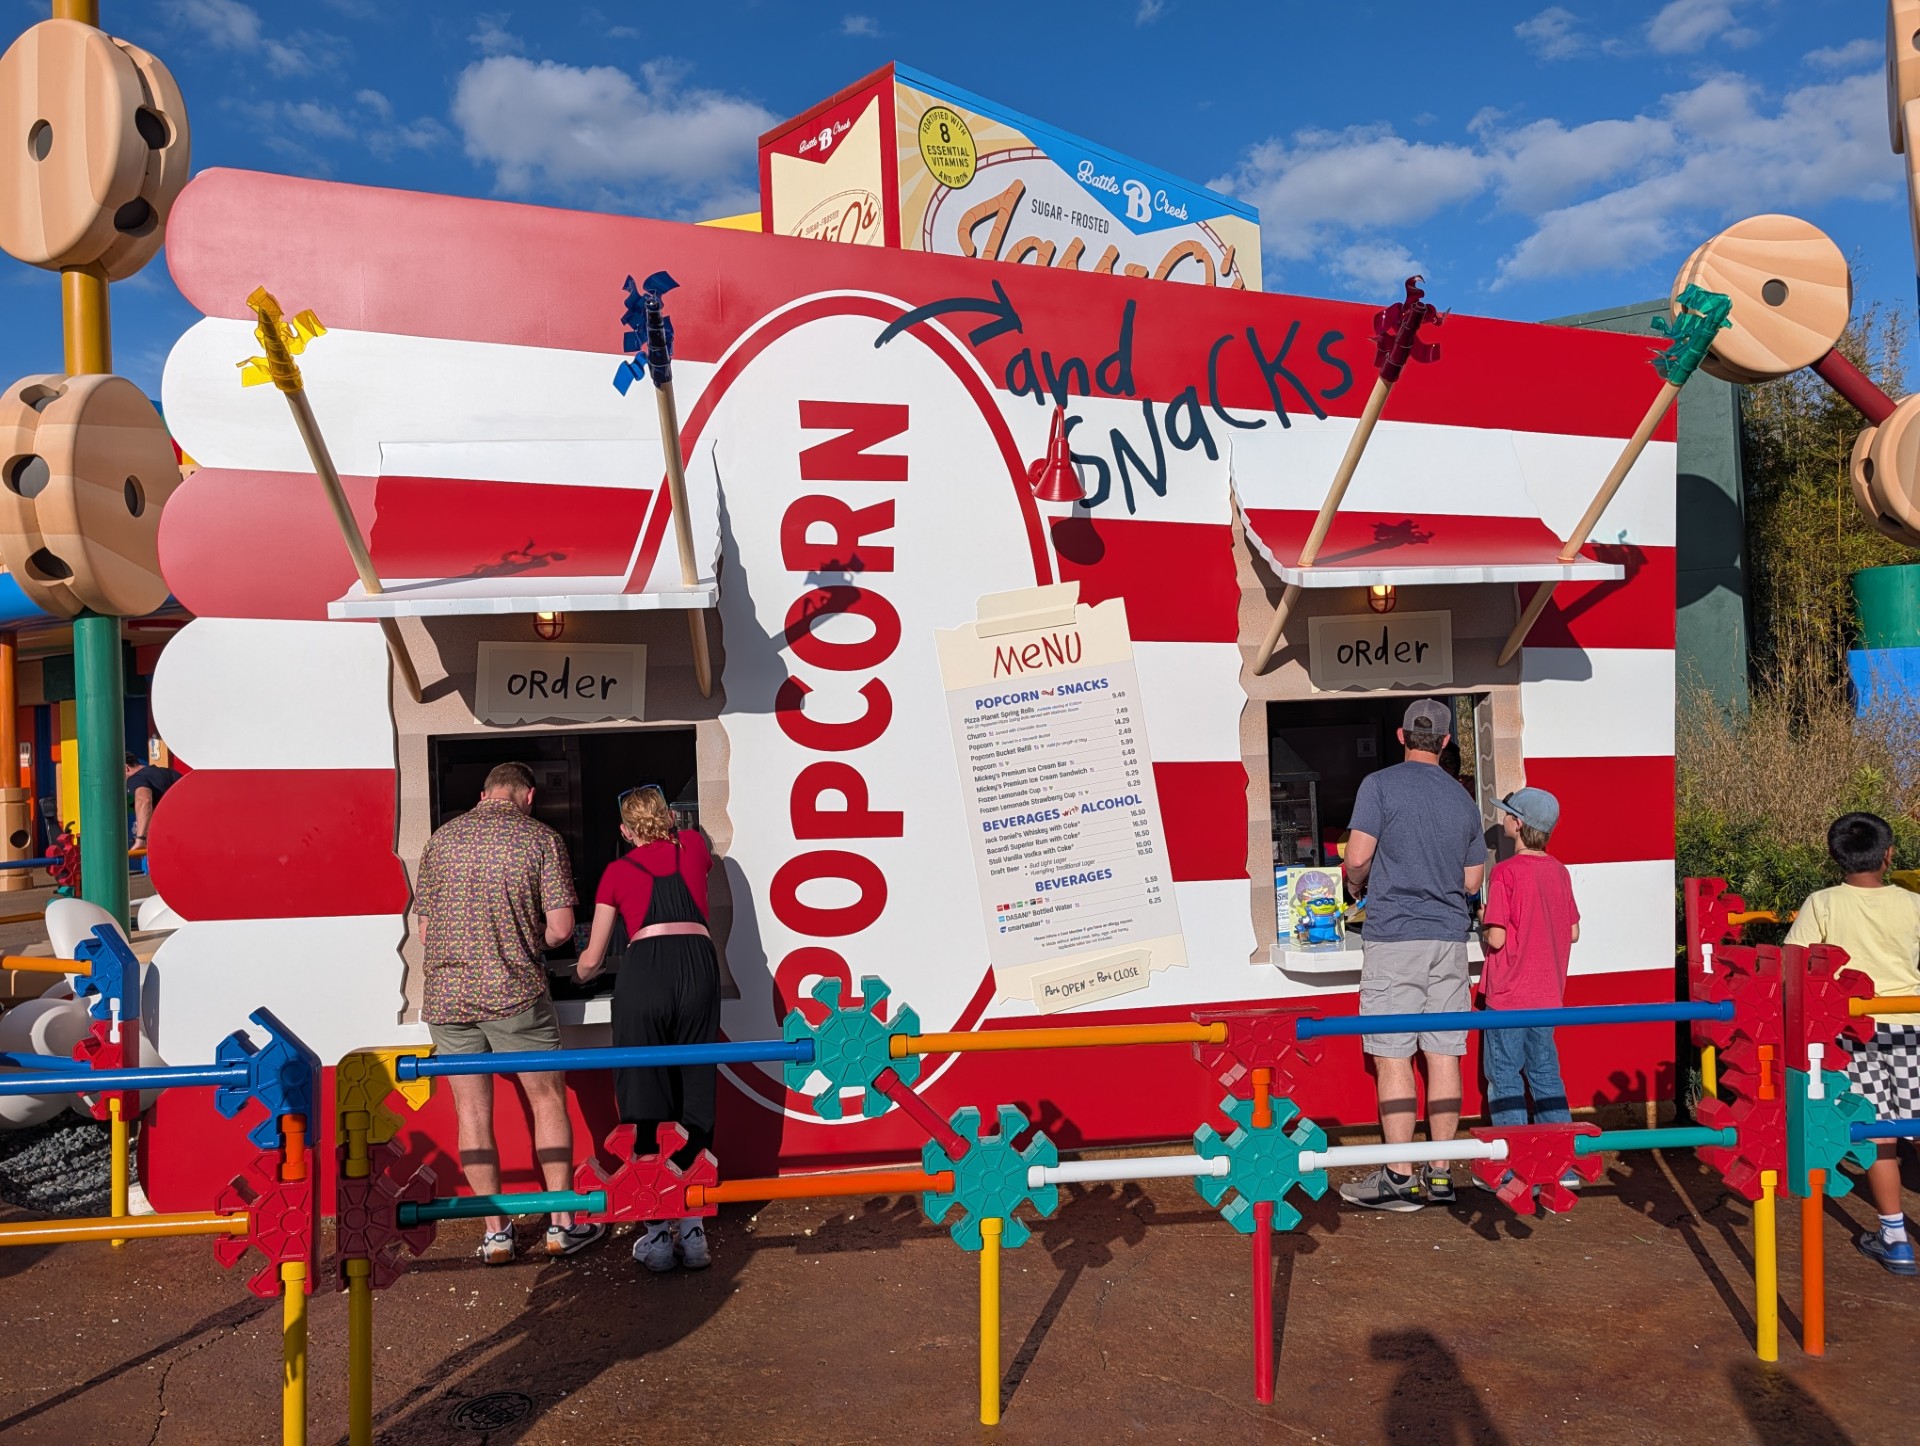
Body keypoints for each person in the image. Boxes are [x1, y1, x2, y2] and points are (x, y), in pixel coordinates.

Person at [413, 761, 602, 1263]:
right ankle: (561, 1224)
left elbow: (425, 932)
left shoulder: (440, 841)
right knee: (547, 1101)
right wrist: (526, 940)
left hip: (447, 997)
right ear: (529, 796)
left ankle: (496, 1233)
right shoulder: (539, 839)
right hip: (513, 991)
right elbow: (561, 929)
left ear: (484, 793)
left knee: (472, 1112)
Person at [1337, 698, 1486, 1211]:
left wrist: (1355, 885)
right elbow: (1472, 882)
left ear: (1401, 736)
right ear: (1444, 742)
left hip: (1394, 938)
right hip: (1449, 940)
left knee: (1393, 1053)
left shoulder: (1378, 786)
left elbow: (1358, 856)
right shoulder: (1463, 800)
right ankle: (1440, 1174)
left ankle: (1399, 1177)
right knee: (1444, 1053)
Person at [575, 784, 720, 1272]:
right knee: (696, 1086)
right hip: (699, 970)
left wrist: (578, 974)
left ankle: (657, 1233)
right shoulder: (693, 847)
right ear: (671, 819)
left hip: (645, 974)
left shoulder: (617, 871)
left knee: (642, 1091)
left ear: (624, 830)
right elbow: (702, 853)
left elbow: (593, 959)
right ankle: (694, 1228)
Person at [1784, 812, 1920, 1276]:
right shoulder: (1913, 904)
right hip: (1911, 1027)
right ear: (1889, 854)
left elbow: (1795, 966)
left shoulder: (1822, 903)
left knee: (1878, 1132)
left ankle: (1896, 1240)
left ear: (1834, 856)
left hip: (1853, 1033)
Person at [1477, 787, 1582, 1193]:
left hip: (1508, 995)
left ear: (1518, 824)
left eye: (1507, 814)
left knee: (1504, 1077)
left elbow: (1498, 938)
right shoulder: (1559, 871)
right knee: (1545, 1075)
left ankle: (1516, 1168)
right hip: (1548, 995)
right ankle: (1562, 1166)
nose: (1503, 819)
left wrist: (1484, 918)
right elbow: (1573, 932)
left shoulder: (1506, 872)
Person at [125, 752, 182, 857]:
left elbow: (144, 800)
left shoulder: (135, 779)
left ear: (126, 769)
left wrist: (140, 839)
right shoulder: (165, 773)